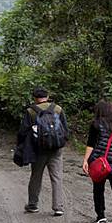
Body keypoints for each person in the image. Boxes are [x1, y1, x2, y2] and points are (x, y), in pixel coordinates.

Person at [18, 87, 69, 216]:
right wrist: (60, 143)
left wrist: (22, 147)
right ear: (48, 96)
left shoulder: (31, 111)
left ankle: (33, 205)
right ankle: (58, 207)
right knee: (57, 177)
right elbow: (65, 130)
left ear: (34, 97)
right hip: (56, 149)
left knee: (36, 176)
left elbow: (23, 132)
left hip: (38, 149)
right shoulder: (58, 109)